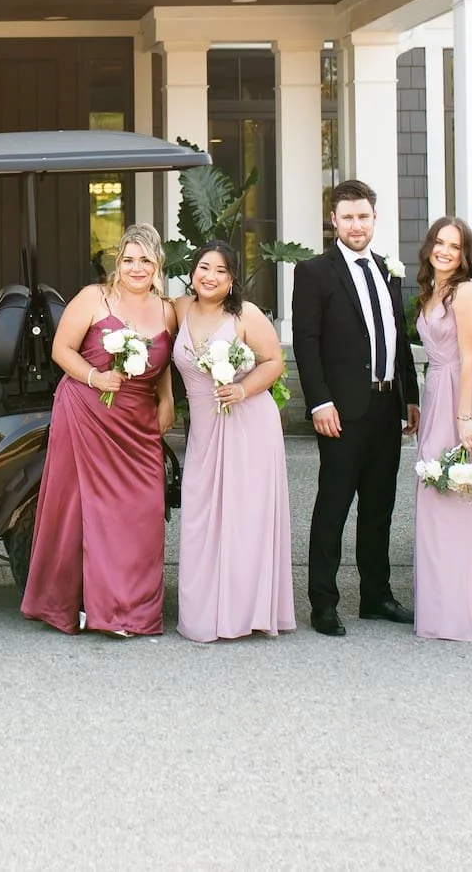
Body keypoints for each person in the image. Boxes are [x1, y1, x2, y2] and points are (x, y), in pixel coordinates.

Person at [21, 225, 176, 638]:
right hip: (86, 412)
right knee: (79, 512)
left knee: (142, 514)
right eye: (128, 259)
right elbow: (60, 351)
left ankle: (132, 611)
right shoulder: (95, 298)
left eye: (145, 260)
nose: (136, 268)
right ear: (117, 263)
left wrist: (167, 397)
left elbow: (163, 364)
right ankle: (77, 607)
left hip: (137, 424)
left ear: (158, 263)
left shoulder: (168, 311)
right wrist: (95, 377)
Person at [291, 178, 419, 635]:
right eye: (347, 217)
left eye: (363, 216)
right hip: (341, 410)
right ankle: (324, 603)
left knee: (380, 506)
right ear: (333, 221)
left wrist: (410, 397)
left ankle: (376, 595)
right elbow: (306, 343)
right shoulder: (313, 272)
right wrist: (320, 401)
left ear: (374, 218)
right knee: (333, 506)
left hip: (387, 407)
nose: (356, 224)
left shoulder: (387, 269)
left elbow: (398, 336)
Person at [168, 240, 293, 643]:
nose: (210, 276)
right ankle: (206, 611)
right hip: (204, 428)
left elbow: (274, 361)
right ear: (193, 271)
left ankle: (245, 612)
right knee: (203, 516)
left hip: (248, 424)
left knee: (244, 518)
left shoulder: (245, 314)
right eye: (205, 267)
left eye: (221, 270)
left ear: (233, 278)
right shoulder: (179, 309)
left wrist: (243, 390)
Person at [408, 216, 472, 643]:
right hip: (436, 393)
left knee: (459, 495)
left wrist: (464, 418)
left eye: (454, 245)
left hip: (460, 398)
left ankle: (467, 609)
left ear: (465, 253)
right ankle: (441, 606)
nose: (445, 251)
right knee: (435, 494)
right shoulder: (431, 292)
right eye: (439, 243)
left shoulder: (466, 292)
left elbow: (469, 360)